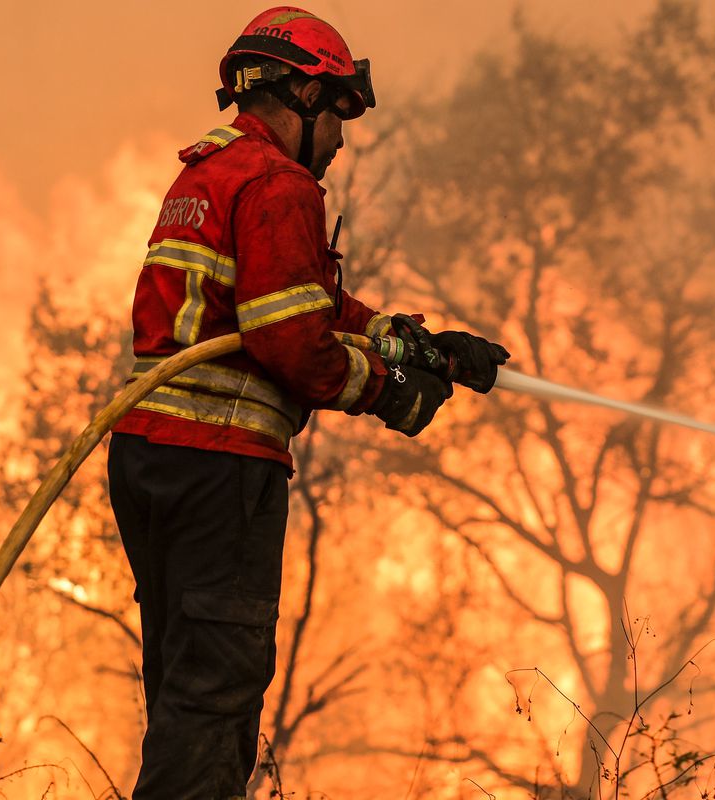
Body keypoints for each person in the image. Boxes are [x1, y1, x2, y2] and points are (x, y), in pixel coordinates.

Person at [106, 7, 508, 798]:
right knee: (217, 694)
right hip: (221, 469)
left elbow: (299, 298)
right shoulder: (280, 184)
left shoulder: (208, 174)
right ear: (304, 95)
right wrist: (390, 392)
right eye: (340, 116)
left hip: (151, 460)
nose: (341, 142)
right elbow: (291, 341)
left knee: (183, 687)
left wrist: (410, 341)